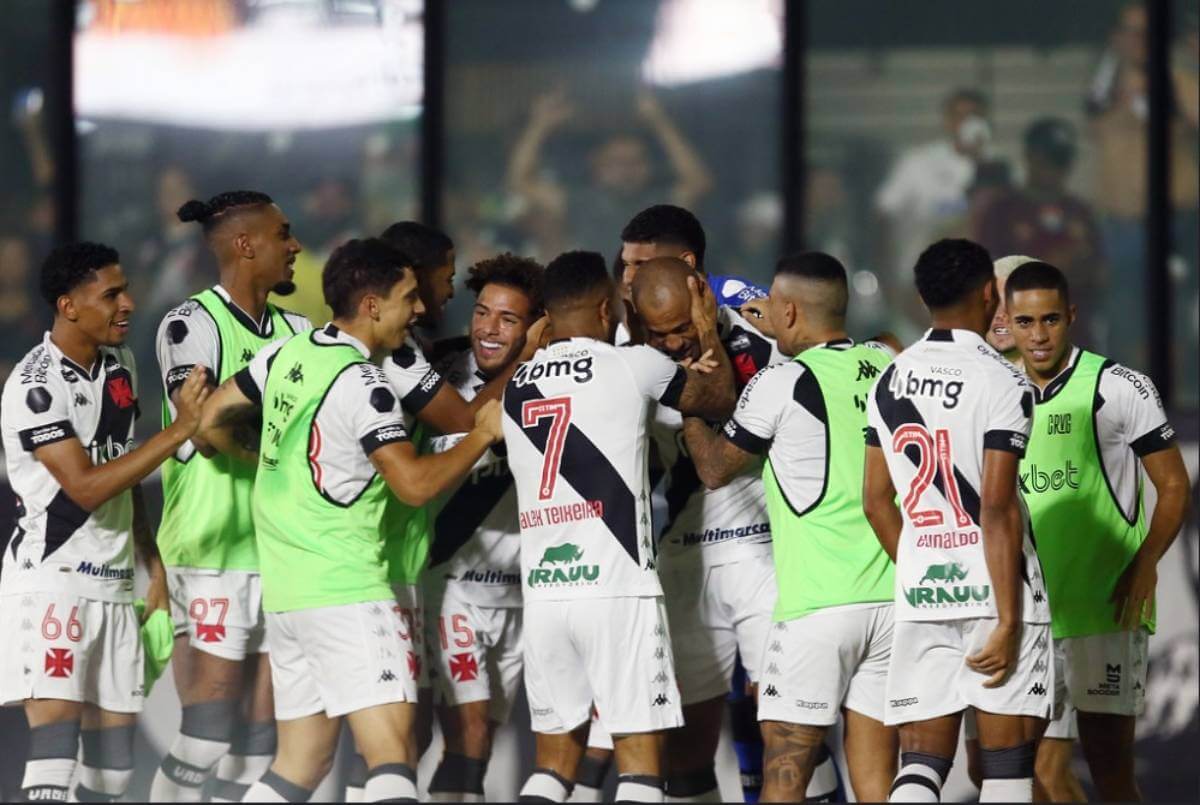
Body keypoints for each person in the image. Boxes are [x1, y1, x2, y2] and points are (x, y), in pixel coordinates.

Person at [196, 238, 504, 803]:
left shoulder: (290, 352)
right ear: (371, 304)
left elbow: (211, 419)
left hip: (290, 596)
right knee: (393, 756)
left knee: (299, 765)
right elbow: (413, 487)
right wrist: (482, 434)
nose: (417, 310)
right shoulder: (366, 382)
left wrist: (265, 460)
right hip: (347, 591)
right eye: (408, 297)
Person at [503, 250, 735, 803]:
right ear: (608, 308)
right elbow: (720, 397)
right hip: (617, 591)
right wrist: (705, 328)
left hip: (545, 598)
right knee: (639, 769)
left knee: (553, 767)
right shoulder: (634, 366)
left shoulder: (515, 386)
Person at [680, 252, 899, 802]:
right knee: (877, 780)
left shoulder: (783, 381)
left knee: (784, 772)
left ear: (793, 313)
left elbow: (712, 469)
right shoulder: (886, 364)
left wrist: (689, 395)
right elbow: (890, 345)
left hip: (817, 608)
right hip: (892, 602)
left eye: (772, 308)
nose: (761, 316)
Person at [0, 242, 210, 802]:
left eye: (125, 289)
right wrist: (180, 429)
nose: (129, 303)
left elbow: (123, 473)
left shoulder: (121, 365)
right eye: (111, 294)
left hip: (115, 587)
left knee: (114, 772)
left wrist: (154, 566)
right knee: (54, 750)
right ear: (69, 306)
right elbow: (88, 487)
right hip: (54, 584)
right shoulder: (34, 386)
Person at [629, 257, 841, 803]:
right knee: (686, 749)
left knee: (792, 737)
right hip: (680, 562)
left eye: (682, 328)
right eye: (660, 334)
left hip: (761, 555)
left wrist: (709, 341)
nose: (673, 343)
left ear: (702, 295)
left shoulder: (766, 340)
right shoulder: (628, 364)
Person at [861, 238, 1052, 802]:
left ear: (921, 296)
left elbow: (875, 501)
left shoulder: (888, 380)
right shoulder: (1003, 381)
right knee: (1006, 772)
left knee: (920, 767)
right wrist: (1009, 618)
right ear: (991, 294)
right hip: (997, 591)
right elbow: (995, 505)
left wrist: (925, 569)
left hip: (924, 587)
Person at [1003, 261, 1189, 801]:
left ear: (1072, 317)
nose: (1038, 335)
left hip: (1105, 611)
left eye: (1050, 319)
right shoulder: (996, 387)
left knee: (1110, 772)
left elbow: (1174, 486)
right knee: (1021, 771)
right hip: (1026, 614)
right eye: (1025, 321)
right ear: (1007, 323)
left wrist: (1145, 564)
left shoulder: (1116, 386)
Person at [150, 191, 309, 803]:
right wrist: (275, 447)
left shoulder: (299, 332)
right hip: (211, 549)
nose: (295, 246)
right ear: (246, 245)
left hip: (277, 551)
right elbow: (208, 431)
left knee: (261, 740)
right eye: (284, 234)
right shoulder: (193, 325)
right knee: (209, 734)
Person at [423, 254, 545, 802]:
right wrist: (527, 362)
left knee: (474, 745)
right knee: (466, 734)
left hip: (521, 594)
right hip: (451, 585)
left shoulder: (558, 380)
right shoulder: (440, 369)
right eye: (481, 312)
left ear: (536, 326)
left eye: (508, 319)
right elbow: (466, 426)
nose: (488, 329)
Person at [507, 88, 713, 258]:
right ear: (597, 168)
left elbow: (698, 182)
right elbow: (520, 181)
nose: (627, 169)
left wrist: (659, 122)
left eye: (636, 161)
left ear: (648, 168)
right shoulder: (580, 202)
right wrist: (540, 125)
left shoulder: (661, 204)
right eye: (616, 162)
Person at [975, 119, 1106, 347]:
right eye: (1048, 160)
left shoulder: (1080, 211)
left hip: (1075, 336)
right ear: (1030, 157)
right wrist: (1049, 268)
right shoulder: (1003, 210)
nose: (1054, 170)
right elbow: (987, 277)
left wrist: (1079, 267)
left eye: (1061, 161)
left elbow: (1101, 271)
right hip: (1019, 341)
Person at [874, 89, 992, 333]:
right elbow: (883, 216)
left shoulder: (1000, 168)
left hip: (976, 294)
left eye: (974, 116)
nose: (968, 124)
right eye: (960, 116)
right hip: (915, 289)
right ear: (947, 120)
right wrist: (887, 277)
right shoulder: (918, 163)